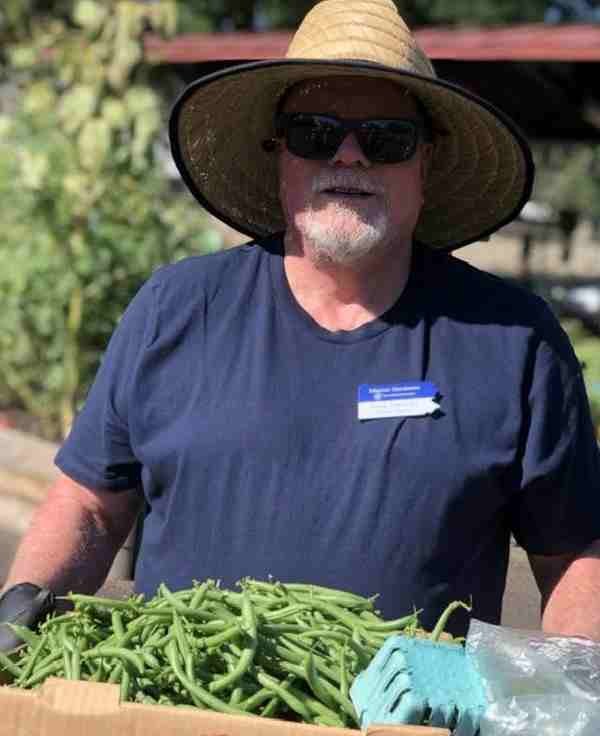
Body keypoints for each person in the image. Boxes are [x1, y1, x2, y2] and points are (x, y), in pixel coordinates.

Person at [2, 0, 600, 648]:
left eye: (385, 139)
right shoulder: (175, 310)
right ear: (279, 155)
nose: (349, 157)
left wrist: (569, 692)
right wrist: (17, 622)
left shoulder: (514, 343)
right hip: (175, 713)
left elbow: (574, 555)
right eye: (316, 133)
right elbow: (89, 504)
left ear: (424, 165)